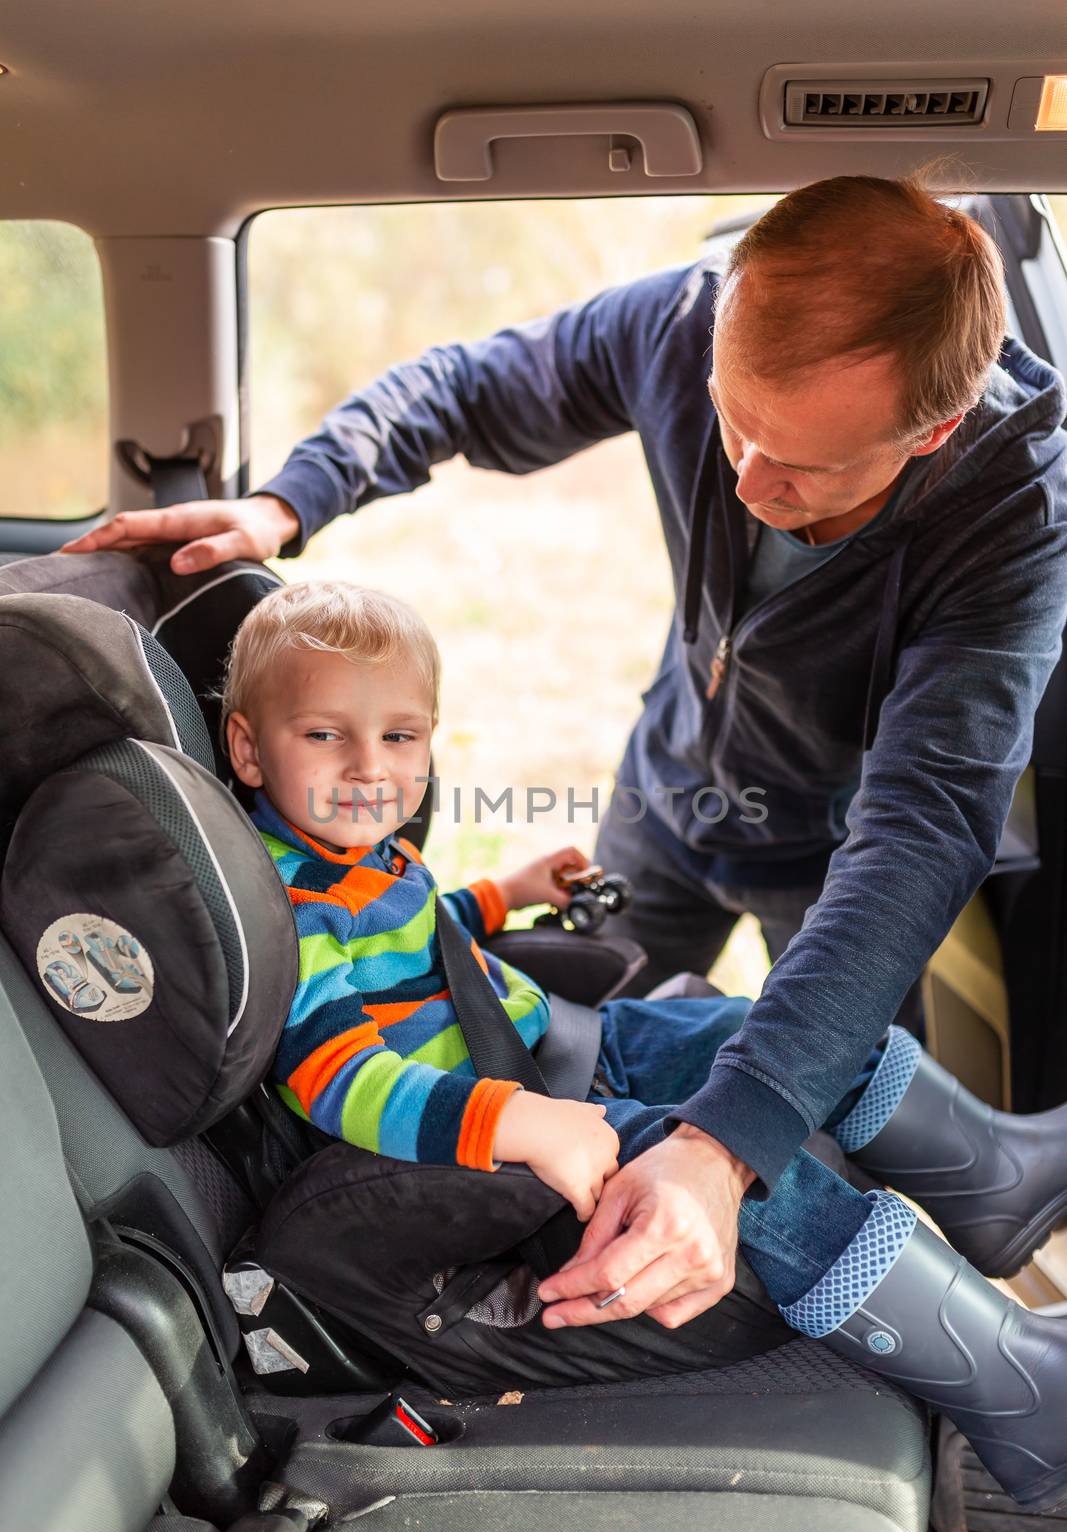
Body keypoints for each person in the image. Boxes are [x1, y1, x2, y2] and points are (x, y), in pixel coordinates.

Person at [61, 174, 1067, 1393]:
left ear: (931, 436)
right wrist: (296, 497)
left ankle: (979, 1265)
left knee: (814, 1099)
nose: (744, 482)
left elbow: (918, 832)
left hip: (836, 851)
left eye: (801, 471)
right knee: (636, 1047)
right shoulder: (678, 318)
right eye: (727, 424)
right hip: (667, 803)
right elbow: (465, 385)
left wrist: (727, 1145)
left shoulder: (1011, 516)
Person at [223, 577, 1067, 1512]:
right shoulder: (289, 907)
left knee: (749, 1034)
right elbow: (339, 1078)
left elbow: (420, 933)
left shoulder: (363, 853)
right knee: (719, 1168)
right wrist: (523, 1124)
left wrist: (504, 893)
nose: (368, 768)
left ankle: (991, 1177)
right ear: (249, 749)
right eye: (325, 736)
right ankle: (1014, 1388)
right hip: (496, 1141)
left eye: (399, 737)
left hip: (557, 1046)